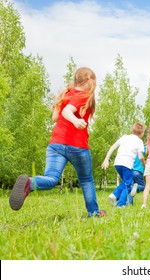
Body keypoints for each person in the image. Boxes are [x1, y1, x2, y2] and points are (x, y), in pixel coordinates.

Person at [9, 67, 106, 217]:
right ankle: (93, 213)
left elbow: (55, 117)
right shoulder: (83, 96)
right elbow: (67, 111)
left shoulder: (66, 94)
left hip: (56, 144)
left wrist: (65, 112)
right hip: (77, 146)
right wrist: (75, 121)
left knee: (52, 179)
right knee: (86, 180)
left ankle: (29, 182)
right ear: (89, 81)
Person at [101, 122, 145, 208]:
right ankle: (120, 204)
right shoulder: (139, 141)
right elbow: (140, 157)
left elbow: (113, 147)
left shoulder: (124, 137)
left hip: (117, 163)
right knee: (128, 185)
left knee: (126, 182)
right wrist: (144, 163)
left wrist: (106, 159)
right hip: (127, 164)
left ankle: (114, 196)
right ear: (141, 133)